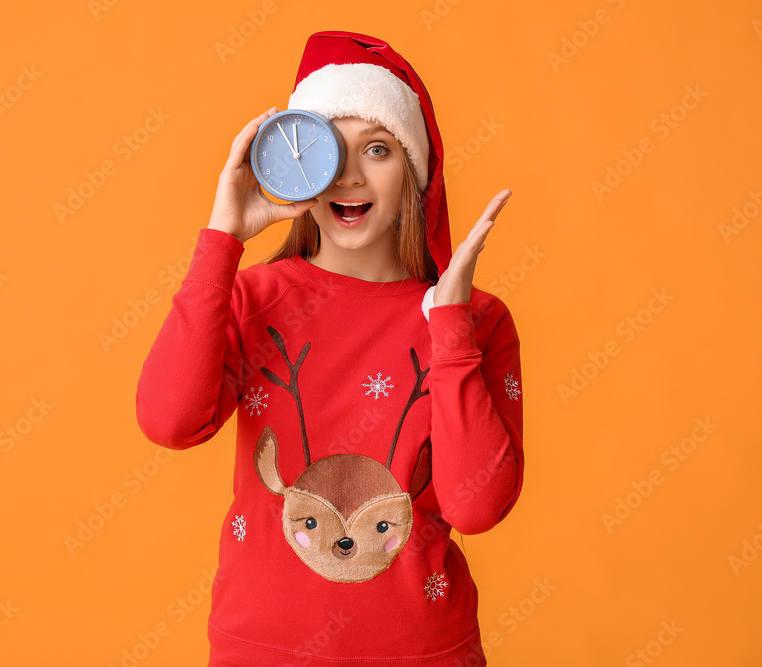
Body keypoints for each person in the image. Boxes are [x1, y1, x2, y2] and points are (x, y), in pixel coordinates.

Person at [136, 30, 524, 666]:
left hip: (423, 651)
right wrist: (221, 241)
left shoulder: (476, 321)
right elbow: (169, 421)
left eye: (377, 149)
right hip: (259, 649)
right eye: (326, 150)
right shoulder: (251, 297)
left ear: (414, 171)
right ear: (292, 167)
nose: (348, 174)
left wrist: (449, 325)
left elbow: (476, 506)